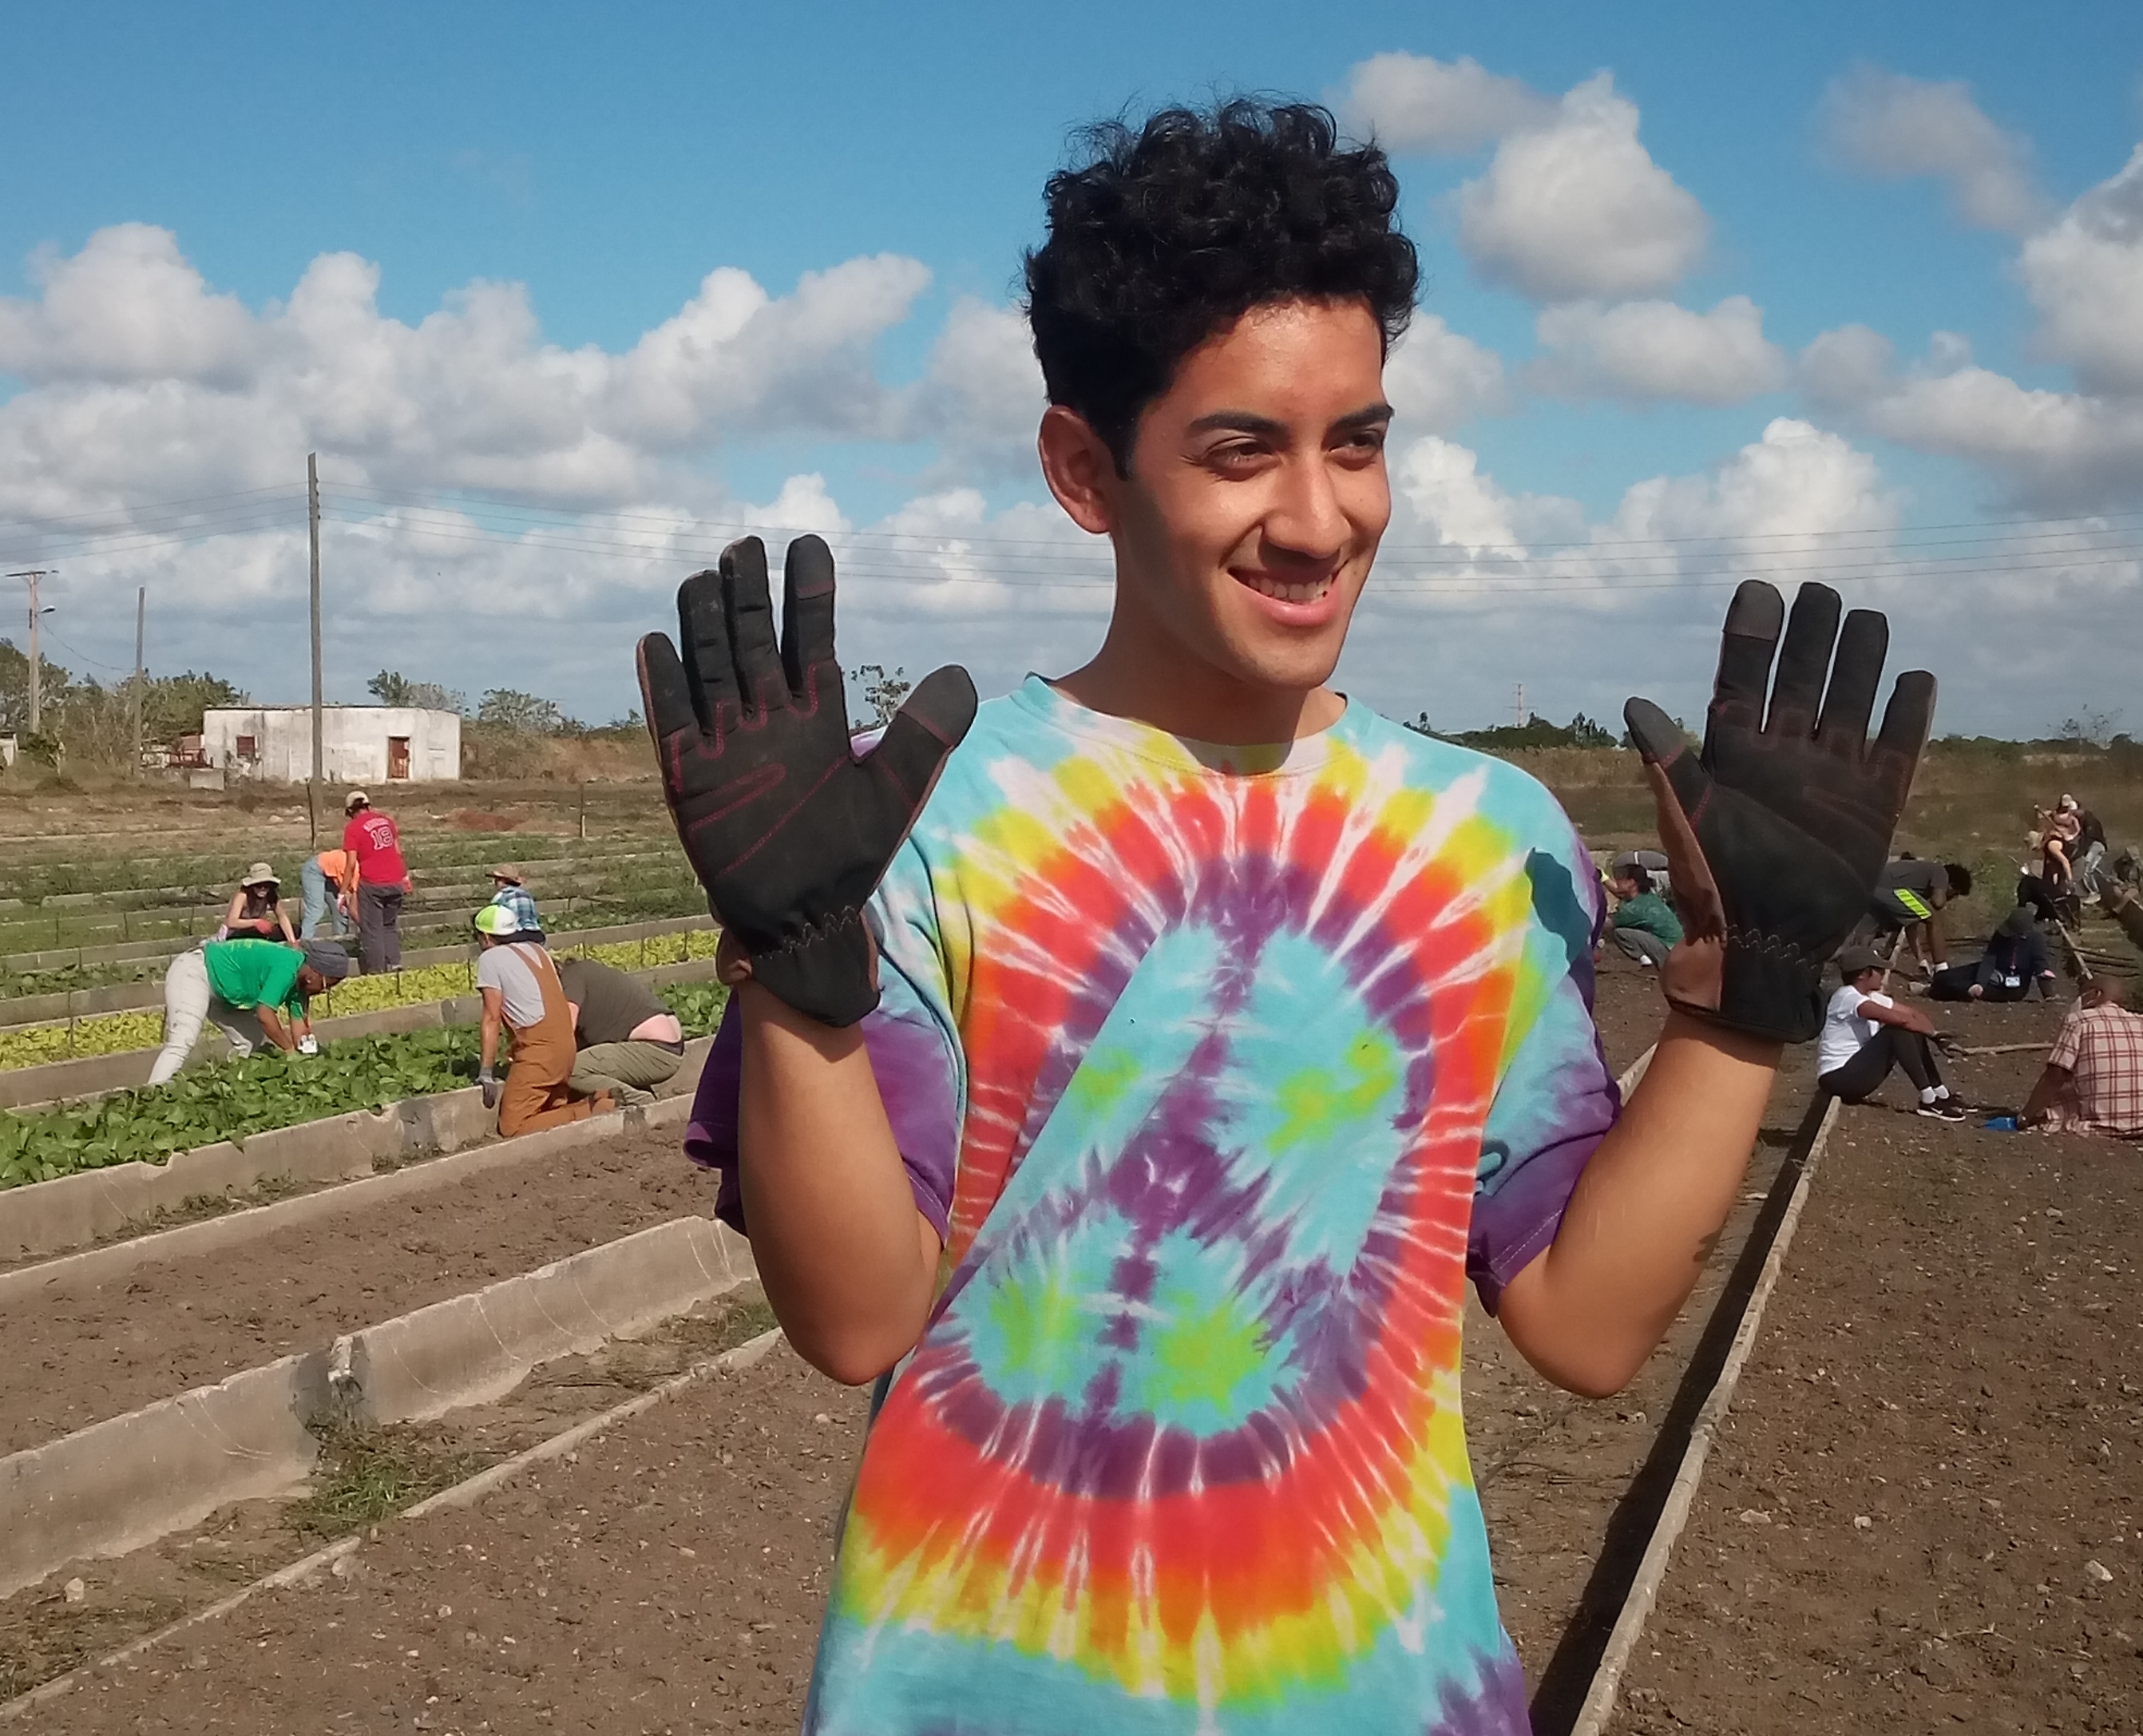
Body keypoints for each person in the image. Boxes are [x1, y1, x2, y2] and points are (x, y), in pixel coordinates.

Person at [647, 100, 1937, 1734]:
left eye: (1358, 441)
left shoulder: (1487, 835)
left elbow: (1588, 1323)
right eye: (1238, 450)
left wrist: (1746, 1002)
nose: (1321, 518)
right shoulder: (916, 820)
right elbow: (853, 1320)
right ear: (1080, 469)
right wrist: (790, 976)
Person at [473, 905, 612, 1135]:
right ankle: (599, 1100)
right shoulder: (537, 951)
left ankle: (597, 1108)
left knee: (512, 1127)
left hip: (540, 1054)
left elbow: (491, 1017)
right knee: (549, 1109)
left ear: (486, 937)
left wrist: (486, 1072)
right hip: (566, 1049)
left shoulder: (490, 959)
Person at [148, 937, 348, 1085]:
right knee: (182, 1040)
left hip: (225, 990)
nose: (324, 991)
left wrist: (309, 1055)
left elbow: (300, 1029)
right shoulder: (287, 966)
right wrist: (288, 1051)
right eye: (327, 985)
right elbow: (265, 1015)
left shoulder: (300, 988)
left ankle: (234, 1084)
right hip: (196, 971)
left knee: (250, 1039)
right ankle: (153, 1092)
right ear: (314, 974)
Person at [1817, 944, 1964, 1118]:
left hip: (1856, 1072)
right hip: (1838, 1079)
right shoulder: (1846, 997)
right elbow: (1901, 1020)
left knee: (1910, 1029)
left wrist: (1939, 1037)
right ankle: (1929, 1100)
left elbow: (1914, 1014)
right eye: (1878, 970)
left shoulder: (1870, 997)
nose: (1883, 974)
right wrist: (1934, 1036)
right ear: (1863, 974)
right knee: (1897, 1030)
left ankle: (1941, 1093)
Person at [2019, 975, 2143, 1139]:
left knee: (2057, 1100)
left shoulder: (2080, 1021)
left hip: (2103, 1126)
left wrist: (2025, 1115)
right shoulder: (2139, 1022)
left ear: (2095, 995)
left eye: (2082, 995)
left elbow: (2056, 1075)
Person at [557, 954, 684, 1104]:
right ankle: (642, 1094)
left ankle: (641, 1101)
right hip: (670, 1047)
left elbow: (564, 1031)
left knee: (573, 1071)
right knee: (591, 1060)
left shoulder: (571, 976)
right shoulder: (587, 972)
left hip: (657, 1050)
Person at [342, 789, 411, 974]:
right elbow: (398, 852)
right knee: (389, 925)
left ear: (350, 812)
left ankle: (377, 971)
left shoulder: (353, 829)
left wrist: (342, 892)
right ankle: (395, 963)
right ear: (368, 806)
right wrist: (405, 877)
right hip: (395, 881)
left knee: (373, 930)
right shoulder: (387, 821)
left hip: (373, 883)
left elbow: (350, 864)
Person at [1863, 856, 1973, 973]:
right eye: (1954, 894)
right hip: (1891, 887)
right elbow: (1938, 903)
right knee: (1932, 917)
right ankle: (1942, 969)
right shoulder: (1940, 872)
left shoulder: (1917, 883)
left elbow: (1911, 926)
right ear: (1950, 884)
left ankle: (1863, 961)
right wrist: (1941, 896)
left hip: (1873, 885)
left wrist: (1921, 960)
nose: (1952, 898)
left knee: (1868, 930)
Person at [1928, 906, 2061, 1002]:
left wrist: (2049, 993)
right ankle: (1935, 983)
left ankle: (1928, 991)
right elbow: (1990, 958)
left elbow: (2040, 963)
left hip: (2011, 989)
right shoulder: (2001, 935)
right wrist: (1981, 982)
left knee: (1961, 988)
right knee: (1946, 978)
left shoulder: (2036, 940)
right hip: (1992, 973)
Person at [1604, 861, 1683, 969]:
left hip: (1669, 951)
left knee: (1620, 933)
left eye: (1620, 878)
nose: (1616, 881)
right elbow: (1621, 894)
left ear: (1632, 882)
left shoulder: (1635, 909)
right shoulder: (1647, 897)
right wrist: (1603, 878)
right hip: (1678, 948)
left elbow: (1607, 925)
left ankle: (1648, 961)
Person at [220, 863, 296, 945]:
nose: (263, 889)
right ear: (252, 886)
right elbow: (231, 922)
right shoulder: (242, 896)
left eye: (266, 885)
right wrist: (256, 923)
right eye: (259, 886)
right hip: (236, 933)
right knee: (256, 934)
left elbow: (282, 916)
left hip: (255, 930)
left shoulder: (271, 895)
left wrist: (292, 940)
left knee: (295, 929)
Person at [299, 846, 355, 941]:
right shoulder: (358, 875)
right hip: (316, 869)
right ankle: (304, 943)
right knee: (316, 910)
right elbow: (353, 904)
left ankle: (340, 943)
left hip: (334, 875)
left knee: (341, 910)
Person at [486, 864, 545, 942]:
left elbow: (492, 918)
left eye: (497, 879)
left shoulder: (501, 896)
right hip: (535, 933)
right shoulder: (527, 895)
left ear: (501, 881)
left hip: (516, 934)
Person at [2038, 794, 2082, 889]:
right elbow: (2040, 816)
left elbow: (2078, 830)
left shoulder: (2073, 817)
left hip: (2066, 841)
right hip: (2055, 839)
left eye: (2067, 806)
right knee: (2053, 866)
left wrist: (2072, 836)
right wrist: (2044, 813)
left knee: (2060, 865)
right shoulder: (2055, 814)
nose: (2065, 808)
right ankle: (2053, 886)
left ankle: (2061, 885)